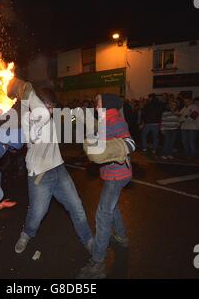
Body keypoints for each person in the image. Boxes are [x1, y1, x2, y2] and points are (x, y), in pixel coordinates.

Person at [9, 79, 93, 255]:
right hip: (40, 175)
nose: (52, 110)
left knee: (76, 206)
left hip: (59, 169)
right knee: (37, 214)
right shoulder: (28, 117)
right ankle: (26, 234)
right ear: (39, 104)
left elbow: (69, 117)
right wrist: (27, 92)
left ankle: (88, 240)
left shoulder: (49, 115)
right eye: (49, 106)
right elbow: (42, 114)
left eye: (53, 107)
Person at [77, 93, 136, 279]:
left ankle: (98, 262)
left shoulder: (115, 120)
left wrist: (99, 146)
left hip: (116, 176)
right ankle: (121, 236)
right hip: (116, 175)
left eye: (98, 101)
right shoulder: (106, 120)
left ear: (108, 104)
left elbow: (130, 143)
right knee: (112, 206)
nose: (96, 105)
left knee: (103, 215)